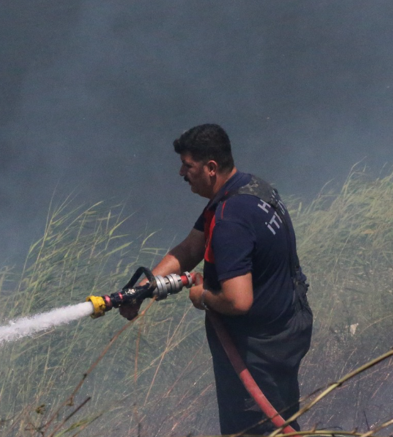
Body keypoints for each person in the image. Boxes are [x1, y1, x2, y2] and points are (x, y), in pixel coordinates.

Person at [120, 123, 313, 435]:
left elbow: (238, 300)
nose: (182, 174)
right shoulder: (249, 188)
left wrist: (202, 297)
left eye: (188, 166)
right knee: (279, 420)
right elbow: (190, 248)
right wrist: (141, 289)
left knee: (258, 429)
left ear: (210, 168)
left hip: (259, 350)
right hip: (287, 326)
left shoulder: (230, 220)